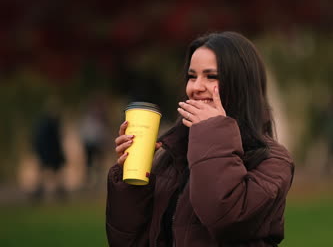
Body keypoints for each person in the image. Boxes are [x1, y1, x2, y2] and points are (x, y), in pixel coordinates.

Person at [106, 31, 295, 247]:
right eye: (192, 76)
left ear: (240, 85)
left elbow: (224, 217)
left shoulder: (273, 161)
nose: (195, 87)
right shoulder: (169, 156)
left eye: (211, 76)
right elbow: (127, 241)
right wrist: (135, 182)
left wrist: (214, 131)